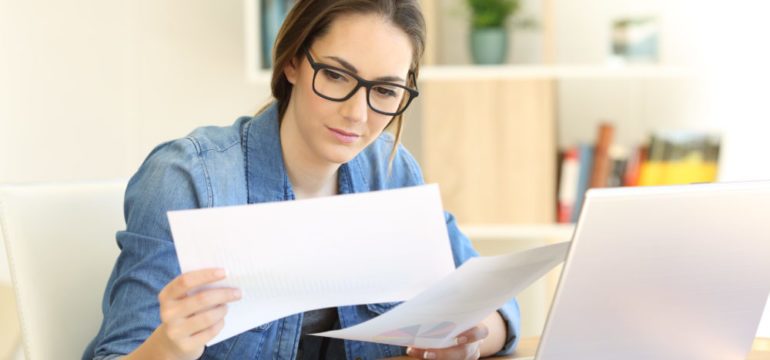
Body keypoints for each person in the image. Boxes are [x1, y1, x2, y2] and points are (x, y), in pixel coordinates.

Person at [83, 0, 521, 359]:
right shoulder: (189, 178)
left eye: (385, 91)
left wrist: (468, 337)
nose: (357, 114)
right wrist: (168, 348)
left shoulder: (391, 171)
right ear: (292, 62)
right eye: (335, 75)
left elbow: (495, 301)